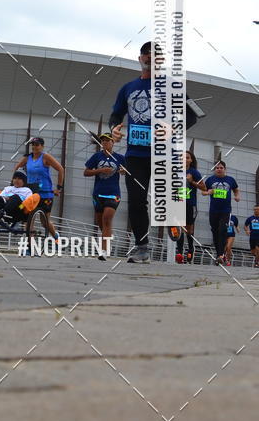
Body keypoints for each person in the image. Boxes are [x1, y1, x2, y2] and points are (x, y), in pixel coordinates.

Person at [110, 41, 199, 264]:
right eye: (146, 54)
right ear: (140, 58)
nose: (150, 57)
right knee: (136, 201)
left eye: (155, 54)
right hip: (135, 156)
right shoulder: (128, 88)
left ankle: (173, 216)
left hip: (164, 154)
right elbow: (116, 114)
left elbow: (193, 115)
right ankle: (142, 248)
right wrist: (114, 129)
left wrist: (173, 127)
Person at [83, 133, 126, 260]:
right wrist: (100, 170)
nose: (105, 143)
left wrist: (123, 171)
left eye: (108, 140)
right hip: (98, 193)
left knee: (107, 219)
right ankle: (107, 241)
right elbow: (86, 172)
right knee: (101, 222)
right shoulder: (97, 156)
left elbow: (127, 171)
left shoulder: (120, 157)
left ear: (113, 142)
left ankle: (104, 251)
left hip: (113, 193)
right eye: (103, 141)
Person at [14, 137, 64, 239]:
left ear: (42, 146)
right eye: (33, 145)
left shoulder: (45, 157)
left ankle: (56, 236)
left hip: (45, 194)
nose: (34, 147)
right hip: (32, 193)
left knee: (44, 222)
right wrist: (18, 183)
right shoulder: (27, 158)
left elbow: (60, 169)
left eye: (37, 145)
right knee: (28, 220)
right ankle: (30, 244)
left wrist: (59, 187)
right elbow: (16, 168)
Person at [201, 161, 240, 265]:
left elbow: (236, 189)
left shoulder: (230, 180)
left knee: (223, 230)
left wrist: (237, 196)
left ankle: (221, 255)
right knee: (215, 231)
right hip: (213, 210)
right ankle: (219, 254)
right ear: (215, 169)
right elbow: (203, 192)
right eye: (217, 168)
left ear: (225, 169)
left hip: (225, 210)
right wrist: (207, 192)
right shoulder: (210, 180)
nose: (219, 169)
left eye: (221, 168)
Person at [175, 150, 206, 263]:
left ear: (191, 160)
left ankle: (190, 249)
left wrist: (192, 181)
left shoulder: (194, 172)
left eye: (187, 157)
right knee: (179, 227)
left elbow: (204, 187)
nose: (185, 159)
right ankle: (179, 252)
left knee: (189, 229)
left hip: (190, 204)